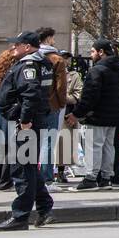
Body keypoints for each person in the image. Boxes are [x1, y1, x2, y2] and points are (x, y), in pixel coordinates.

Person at [0, 32, 57, 230]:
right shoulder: (41, 63)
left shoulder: (29, 66)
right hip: (29, 121)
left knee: (22, 170)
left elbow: (30, 95)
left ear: (27, 47)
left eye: (16, 45)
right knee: (29, 168)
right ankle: (45, 207)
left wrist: (25, 121)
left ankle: (20, 216)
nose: (13, 48)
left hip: (26, 124)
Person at [70, 39, 119, 191]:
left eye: (92, 51)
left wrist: (77, 113)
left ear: (101, 52)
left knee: (94, 146)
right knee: (108, 147)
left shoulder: (97, 70)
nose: (91, 55)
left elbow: (90, 95)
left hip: (96, 115)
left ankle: (90, 178)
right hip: (114, 115)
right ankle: (105, 177)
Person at [34, 27, 69, 184]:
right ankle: (46, 176)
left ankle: (32, 174)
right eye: (53, 38)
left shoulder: (31, 57)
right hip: (51, 105)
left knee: (32, 140)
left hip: (33, 104)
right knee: (48, 142)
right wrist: (61, 104)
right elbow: (61, 86)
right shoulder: (56, 59)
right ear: (48, 39)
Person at [0, 46, 22, 191]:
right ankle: (5, 181)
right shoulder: (14, 74)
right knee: (10, 149)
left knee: (0, 148)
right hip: (11, 111)